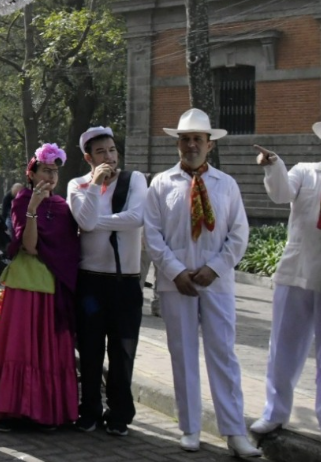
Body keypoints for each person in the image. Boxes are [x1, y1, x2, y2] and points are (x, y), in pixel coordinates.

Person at [144, 109, 260, 457]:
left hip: (216, 283)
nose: (191, 144)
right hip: (175, 283)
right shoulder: (161, 184)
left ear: (210, 145)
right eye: (185, 139)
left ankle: (234, 431)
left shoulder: (227, 185)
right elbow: (152, 235)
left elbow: (239, 234)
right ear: (177, 143)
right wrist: (176, 271)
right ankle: (190, 427)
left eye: (198, 139)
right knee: (182, 355)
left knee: (223, 354)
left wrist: (216, 268)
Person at [0, 143, 79, 431]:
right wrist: (33, 209)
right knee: (19, 348)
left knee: (47, 350)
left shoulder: (63, 207)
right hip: (24, 286)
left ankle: (47, 412)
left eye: (54, 172)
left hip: (52, 287)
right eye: (45, 170)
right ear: (31, 174)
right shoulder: (22, 201)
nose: (50, 177)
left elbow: (69, 248)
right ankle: (12, 411)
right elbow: (30, 246)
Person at [67, 127, 148, 436]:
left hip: (125, 280)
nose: (109, 157)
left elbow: (136, 217)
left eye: (112, 150)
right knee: (89, 349)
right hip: (90, 281)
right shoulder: (79, 184)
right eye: (101, 152)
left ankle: (119, 413)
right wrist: (96, 184)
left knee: (123, 348)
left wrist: (95, 225)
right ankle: (89, 409)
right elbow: (83, 220)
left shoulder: (134, 180)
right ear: (89, 158)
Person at [250, 122, 321, 435]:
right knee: (283, 347)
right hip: (296, 272)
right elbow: (281, 193)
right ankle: (275, 412)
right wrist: (273, 165)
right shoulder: (307, 172)